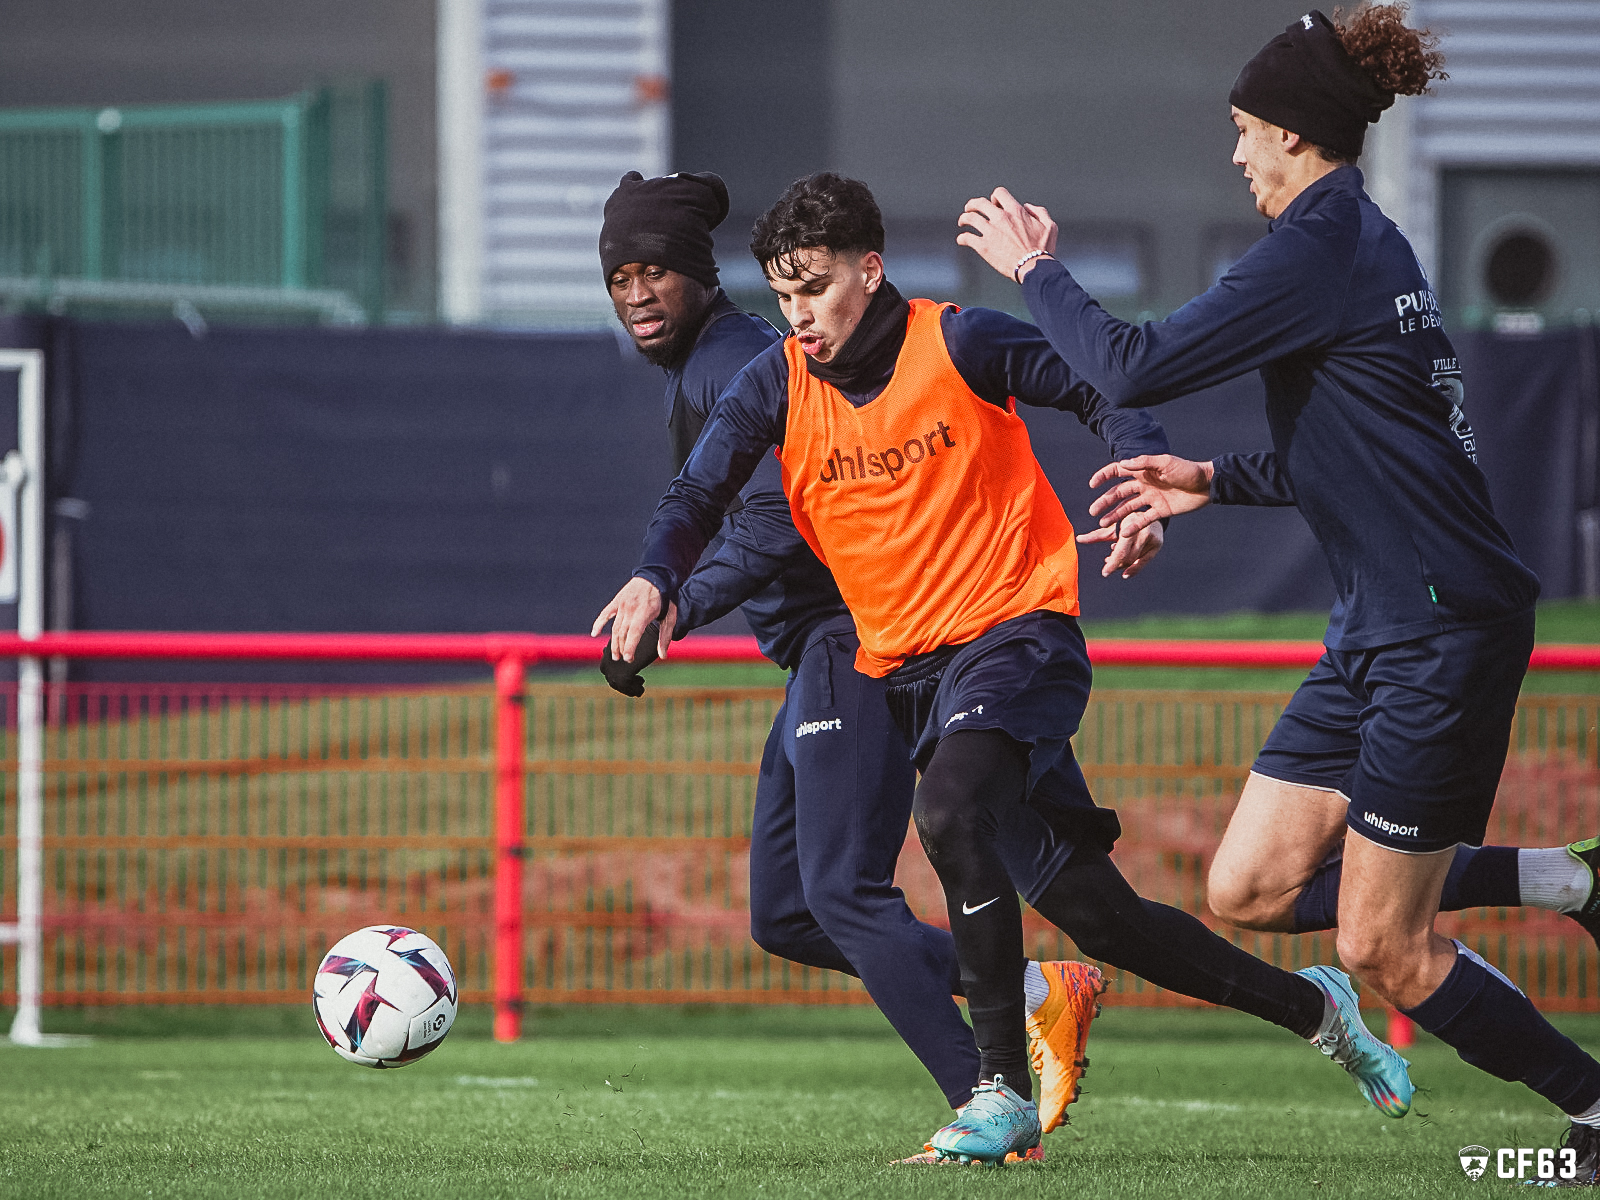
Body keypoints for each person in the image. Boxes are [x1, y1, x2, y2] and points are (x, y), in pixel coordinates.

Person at [595, 171, 1413, 1167]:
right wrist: (653, 578)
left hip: (1016, 640)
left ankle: (997, 1095)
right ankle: (1312, 1006)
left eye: (815, 287)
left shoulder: (960, 341)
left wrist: (1144, 473)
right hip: (907, 670)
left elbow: (1099, 384)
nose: (799, 316)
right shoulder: (776, 382)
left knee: (946, 810)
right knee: (1097, 916)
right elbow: (696, 490)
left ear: (870, 267)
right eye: (784, 294)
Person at [958, 5, 1600, 1181]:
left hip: (1440, 629)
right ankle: (1567, 879)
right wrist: (1212, 475)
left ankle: (1595, 1111)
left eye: (1249, 130)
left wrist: (1035, 272)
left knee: (1382, 948)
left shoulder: (1321, 250)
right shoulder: (1357, 247)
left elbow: (1134, 365)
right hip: (1380, 623)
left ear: (1302, 137)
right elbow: (1376, 450)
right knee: (1249, 885)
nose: (1238, 152)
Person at [591, 169, 1105, 1159]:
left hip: (852, 636)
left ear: (700, 276)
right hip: (821, 655)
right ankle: (1041, 987)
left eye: (656, 270)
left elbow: (783, 520)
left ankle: (991, 1102)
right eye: (621, 277)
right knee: (786, 912)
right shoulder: (718, 361)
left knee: (840, 893)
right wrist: (662, 586)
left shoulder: (741, 357)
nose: (638, 293)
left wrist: (677, 603)